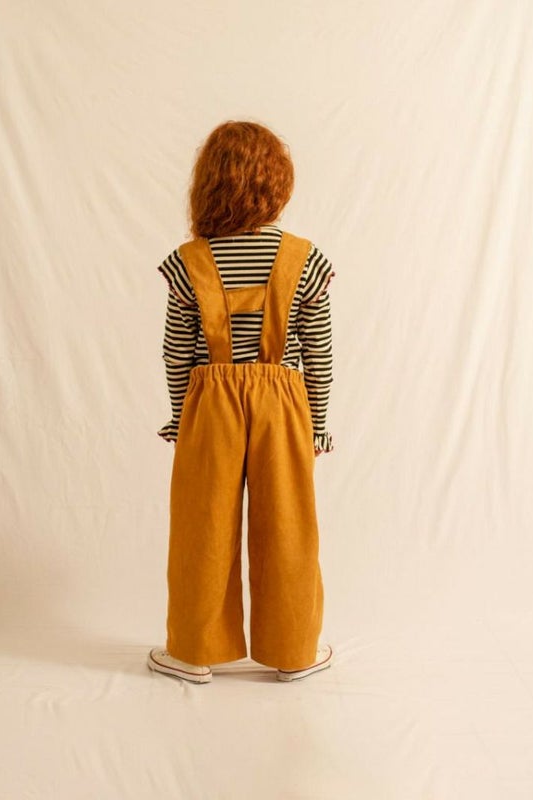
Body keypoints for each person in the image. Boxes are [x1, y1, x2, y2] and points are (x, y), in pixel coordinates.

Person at [147, 120, 335, 684]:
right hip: (284, 404)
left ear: (208, 183)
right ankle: (295, 653)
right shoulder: (305, 259)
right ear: (277, 183)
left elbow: (176, 351)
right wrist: (317, 425)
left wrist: (181, 418)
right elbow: (318, 351)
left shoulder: (189, 261)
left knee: (203, 526)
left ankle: (193, 652)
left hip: (212, 405)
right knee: (289, 526)